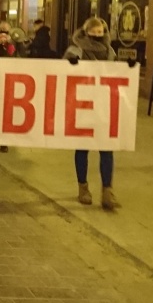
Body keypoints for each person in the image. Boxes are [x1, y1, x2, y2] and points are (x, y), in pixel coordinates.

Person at [64, 17, 120, 210]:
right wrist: (71, 64)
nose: (97, 35)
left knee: (107, 148)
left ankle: (107, 191)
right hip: (83, 105)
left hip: (104, 104)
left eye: (100, 32)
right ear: (85, 32)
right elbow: (63, 69)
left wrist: (127, 67)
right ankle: (83, 188)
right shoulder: (76, 48)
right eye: (93, 32)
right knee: (83, 147)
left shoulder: (110, 51)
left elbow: (116, 74)